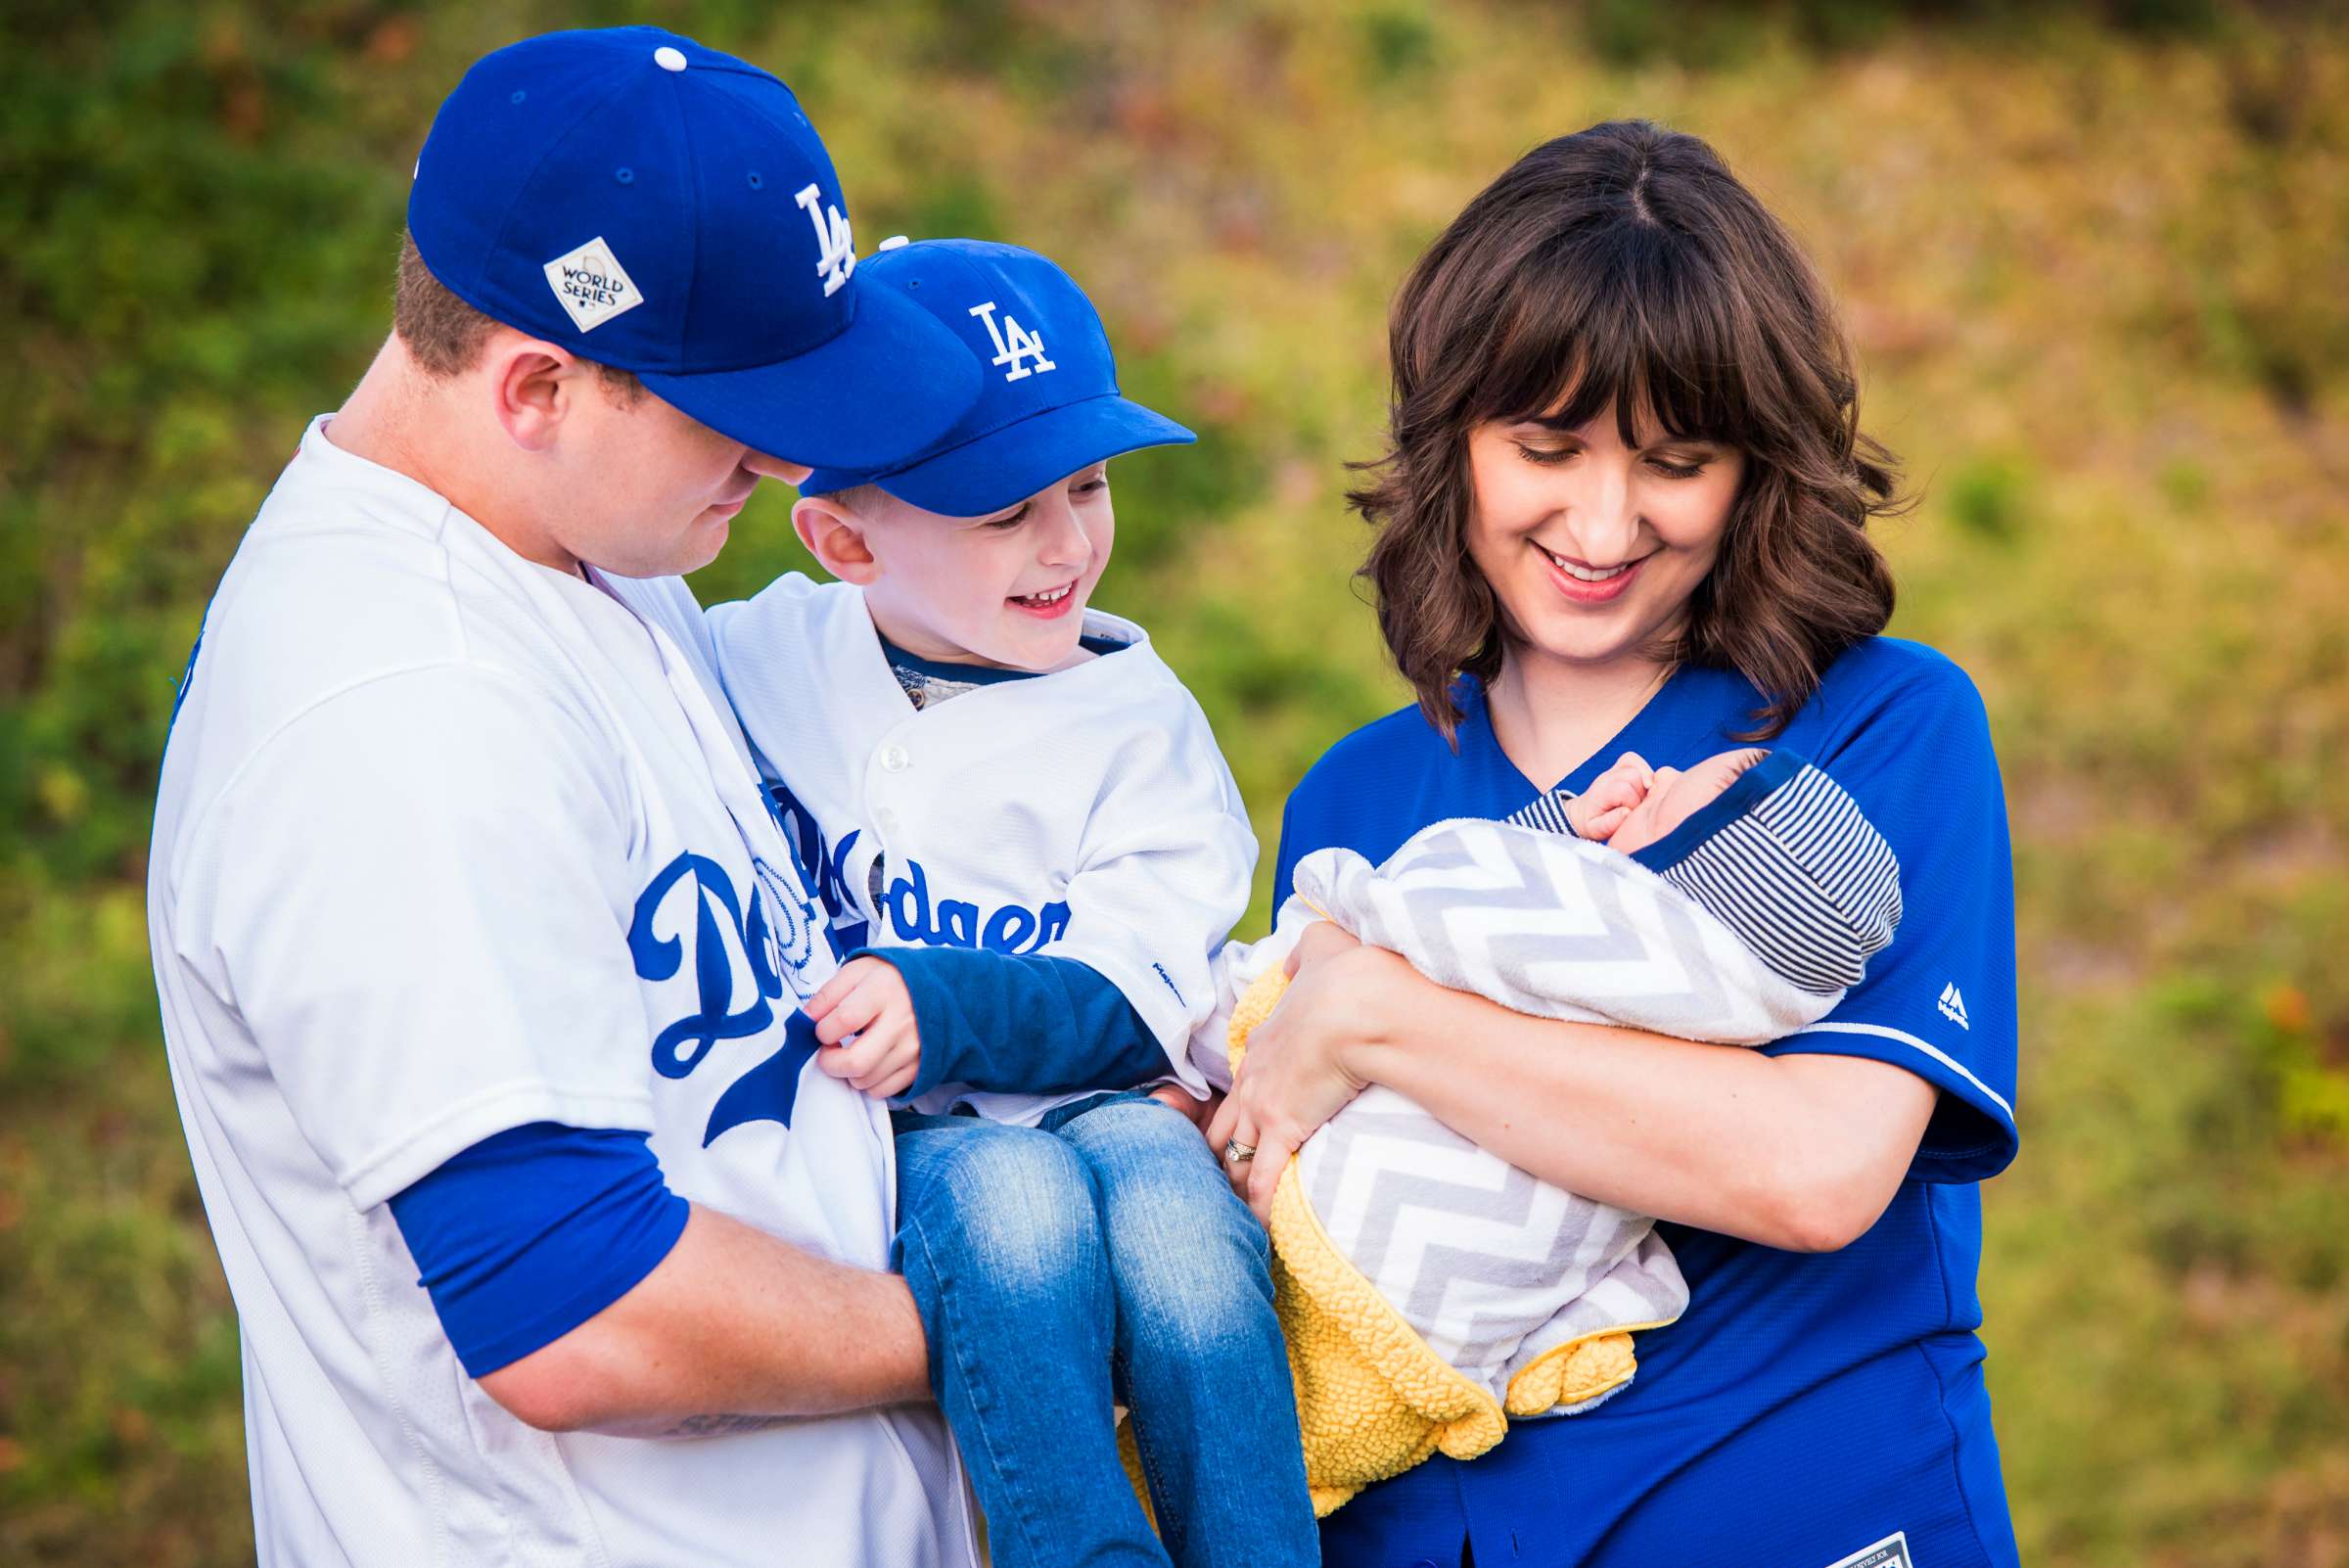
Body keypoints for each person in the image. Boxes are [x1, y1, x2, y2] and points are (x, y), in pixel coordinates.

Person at [145, 28, 990, 1568]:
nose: (786, 453)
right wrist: (1011, 1327)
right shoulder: (395, 715)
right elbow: (575, 1307)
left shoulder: (586, 532)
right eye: (737, 403)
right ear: (535, 384)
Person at [1208, 120, 2023, 1567]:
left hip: (1806, 1512)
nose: (1603, 519)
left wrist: (1381, 1015)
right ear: (1452, 440)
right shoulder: (1352, 799)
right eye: (1545, 447)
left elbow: (1815, 1170)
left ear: (1753, 468)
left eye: (1675, 461)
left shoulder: (1881, 727)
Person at [704, 238, 1319, 1568]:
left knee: (1174, 1213)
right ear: (842, 537)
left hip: (1101, 1102)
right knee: (1013, 1202)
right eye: (1002, 511)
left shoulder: (1140, 721)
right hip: (910, 1147)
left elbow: (1132, 995)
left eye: (1087, 484)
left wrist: (949, 1002)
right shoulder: (749, 655)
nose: (1068, 542)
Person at [1202, 744, 1905, 1513]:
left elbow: (1451, 900)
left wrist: (1349, 956)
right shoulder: (1724, 1010)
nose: (1652, 770)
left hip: (1327, 1237)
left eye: (1670, 796)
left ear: (1695, 869)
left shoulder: (1885, 725)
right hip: (1436, 1358)